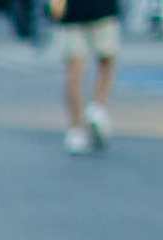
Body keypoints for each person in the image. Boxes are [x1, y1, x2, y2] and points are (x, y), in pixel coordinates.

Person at [49, 0, 121, 153]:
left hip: (72, 13)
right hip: (103, 9)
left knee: (74, 71)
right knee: (106, 61)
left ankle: (76, 130)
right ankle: (98, 107)